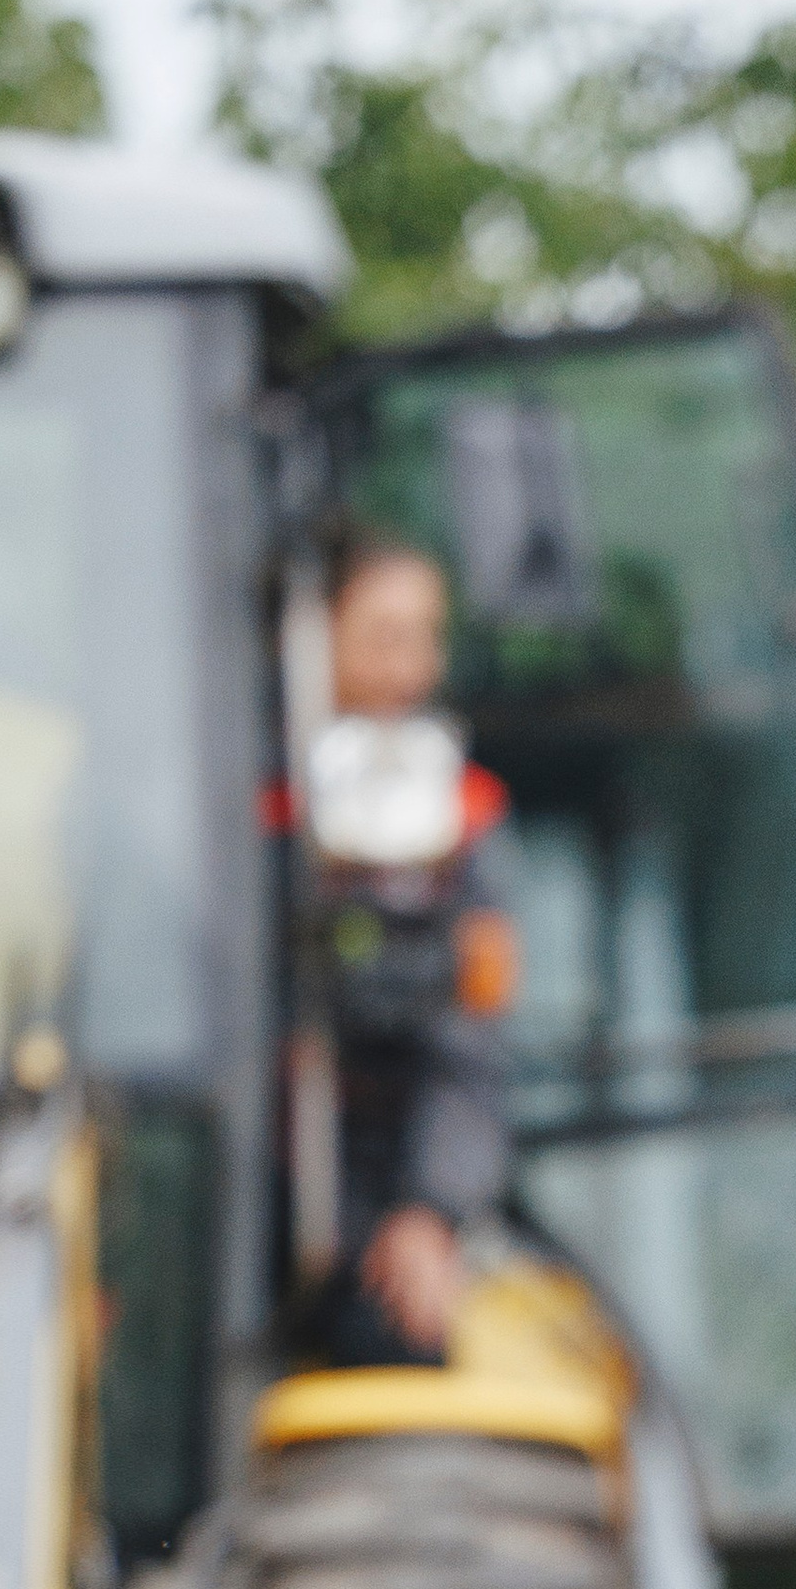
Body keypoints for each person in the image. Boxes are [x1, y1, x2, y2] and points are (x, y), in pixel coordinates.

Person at [290, 534, 519, 1365]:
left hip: (380, 1209)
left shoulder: (466, 823)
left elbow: (473, 1042)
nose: (414, 672)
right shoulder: (232, 816)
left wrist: (431, 1209)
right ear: (306, 639)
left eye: (429, 638)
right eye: (386, 637)